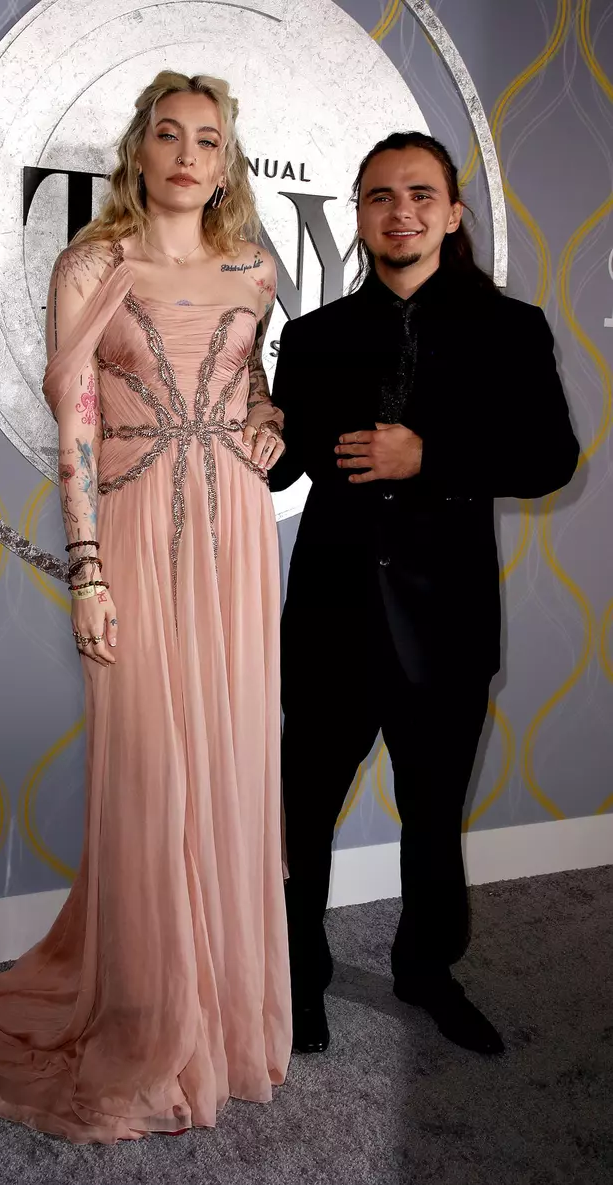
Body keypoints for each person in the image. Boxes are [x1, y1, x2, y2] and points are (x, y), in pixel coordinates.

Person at [0, 71, 291, 1142]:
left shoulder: (254, 267)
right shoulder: (92, 264)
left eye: (208, 138)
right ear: (139, 150)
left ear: (227, 162)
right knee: (151, 773)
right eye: (169, 134)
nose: (188, 154)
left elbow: (251, 385)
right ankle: (150, 1020)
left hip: (238, 535)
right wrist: (89, 572)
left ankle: (222, 1019)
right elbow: (77, 430)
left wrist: (270, 418)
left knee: (232, 761)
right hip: (137, 528)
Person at [269, 131, 579, 1057]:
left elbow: (550, 458)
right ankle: (298, 975)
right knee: (301, 816)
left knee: (435, 817)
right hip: (329, 616)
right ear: (359, 216)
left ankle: (426, 969)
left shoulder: (511, 329)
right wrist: (240, 417)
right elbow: (282, 466)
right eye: (379, 196)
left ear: (450, 214)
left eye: (419, 195)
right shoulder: (313, 337)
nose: (399, 211)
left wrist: (429, 457)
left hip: (447, 624)